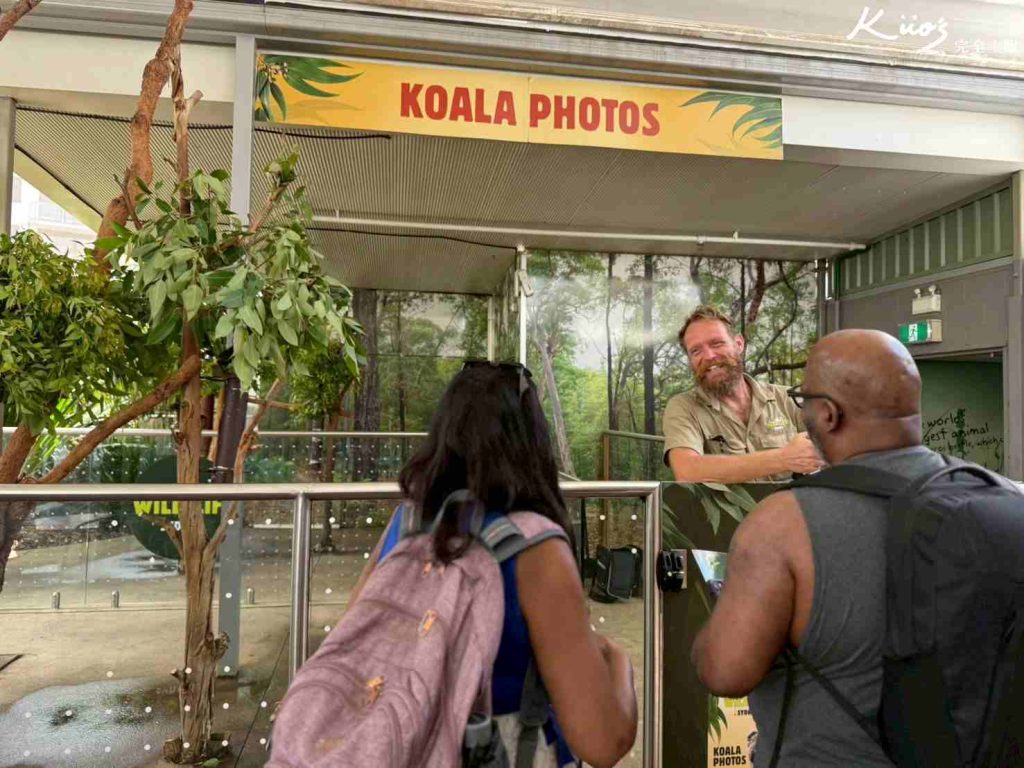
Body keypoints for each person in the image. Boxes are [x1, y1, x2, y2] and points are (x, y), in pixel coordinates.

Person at [352, 361, 638, 768]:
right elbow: (603, 743)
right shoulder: (536, 548)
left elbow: (359, 633)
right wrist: (617, 658)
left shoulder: (409, 522)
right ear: (532, 440)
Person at [690, 329, 946, 766]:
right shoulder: (1003, 503)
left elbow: (724, 670)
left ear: (826, 415)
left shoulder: (781, 526)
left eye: (804, 400)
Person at [663, 305, 824, 483]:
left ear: (739, 344)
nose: (708, 356)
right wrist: (784, 458)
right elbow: (687, 471)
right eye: (696, 351)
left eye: (716, 343)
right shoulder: (684, 407)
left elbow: (838, 448)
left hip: (789, 508)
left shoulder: (787, 398)